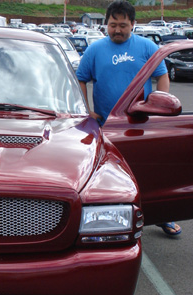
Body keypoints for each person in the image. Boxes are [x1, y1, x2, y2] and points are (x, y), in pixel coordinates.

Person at [76, 0, 181, 236]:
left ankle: (163, 216)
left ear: (133, 24)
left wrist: (158, 103)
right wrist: (87, 110)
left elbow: (162, 75)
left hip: (140, 123)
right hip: (106, 125)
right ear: (106, 24)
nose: (117, 30)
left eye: (123, 25)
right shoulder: (95, 50)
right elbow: (80, 78)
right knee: (106, 174)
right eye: (113, 25)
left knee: (150, 169)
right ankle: (106, 220)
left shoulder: (146, 47)